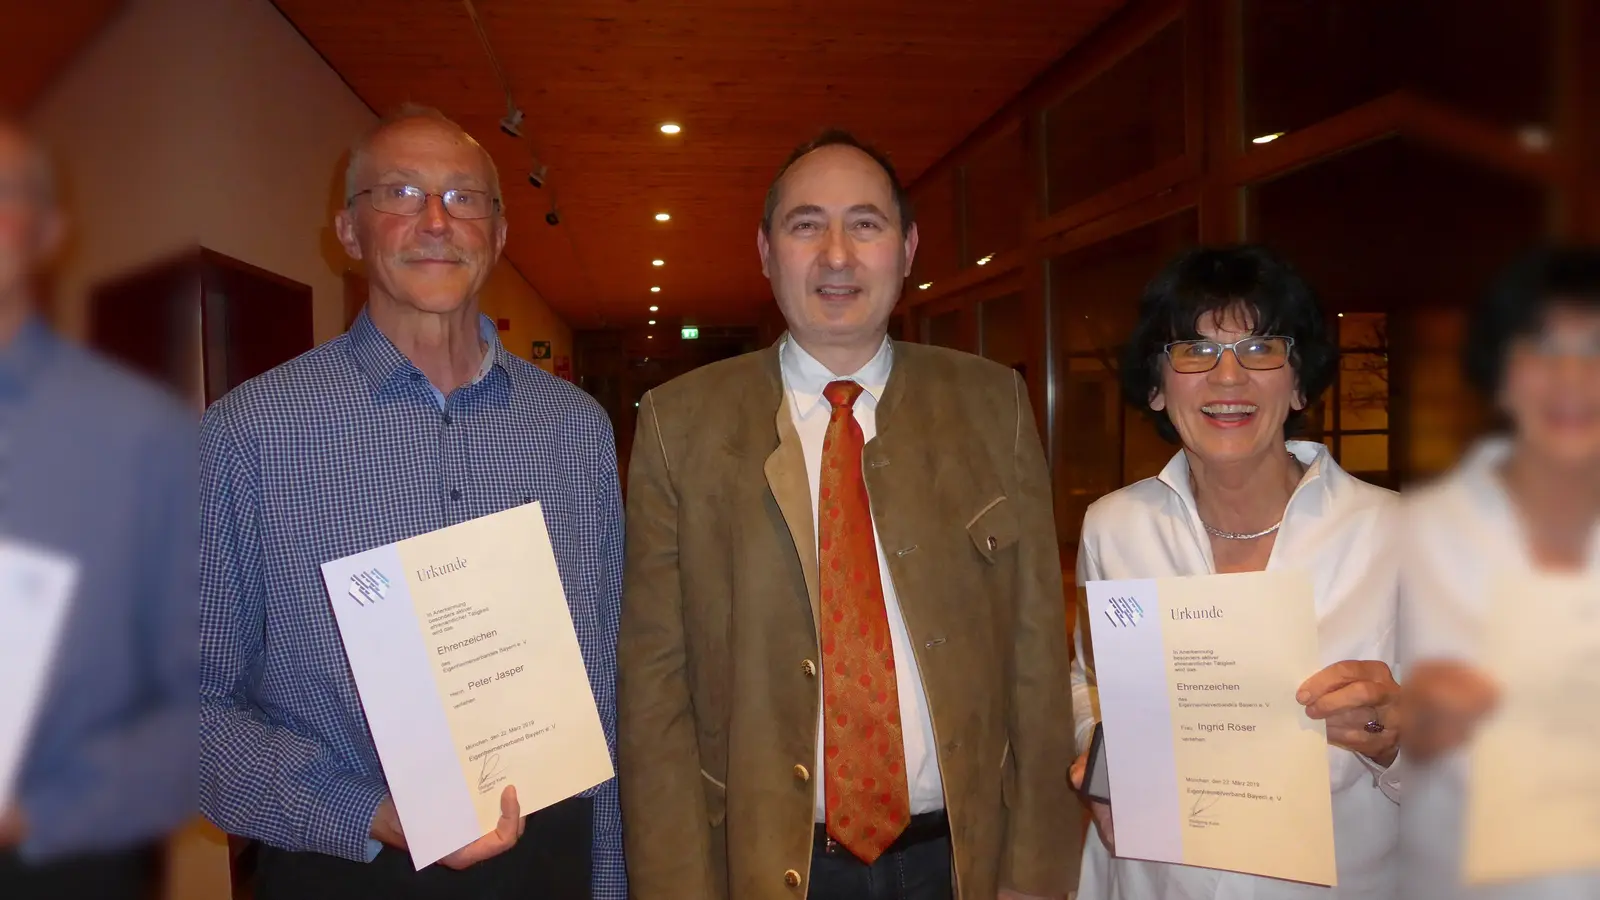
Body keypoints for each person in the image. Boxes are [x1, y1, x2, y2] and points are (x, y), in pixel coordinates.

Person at [617, 129, 1078, 900]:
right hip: (766, 866)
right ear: (766, 251)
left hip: (960, 861)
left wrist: (1036, 873)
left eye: (866, 224)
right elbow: (655, 693)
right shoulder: (681, 426)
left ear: (907, 248)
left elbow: (1036, 659)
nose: (837, 254)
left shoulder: (992, 405)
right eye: (806, 226)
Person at [198, 105, 624, 900]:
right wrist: (369, 810)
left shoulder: (575, 432)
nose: (436, 221)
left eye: (465, 198)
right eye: (399, 193)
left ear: (497, 235)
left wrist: (608, 881)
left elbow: (602, 677)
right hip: (348, 865)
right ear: (349, 232)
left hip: (550, 861)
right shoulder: (250, 435)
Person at [1069, 245, 1402, 899]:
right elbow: (1089, 681)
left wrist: (1397, 740)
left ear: (1300, 381)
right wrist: (1105, 771)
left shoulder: (1396, 537)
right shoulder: (1115, 528)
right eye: (1195, 350)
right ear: (1158, 387)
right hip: (1153, 882)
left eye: (1261, 349)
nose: (1228, 378)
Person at [0, 119, 195, 899]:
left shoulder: (143, 435)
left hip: (63, 870)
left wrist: (40, 811)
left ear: (49, 233)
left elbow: (199, 703)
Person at [1398, 245, 1600, 900]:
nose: (1573, 376)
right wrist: (1413, 728)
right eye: (1541, 347)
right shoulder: (1416, 535)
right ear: (1500, 372)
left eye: (1597, 348)